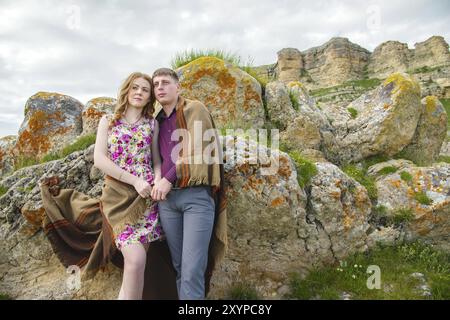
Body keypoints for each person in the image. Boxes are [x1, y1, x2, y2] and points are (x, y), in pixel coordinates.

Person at [40, 72, 177, 300]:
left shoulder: (152, 124)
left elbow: (155, 160)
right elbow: (100, 159)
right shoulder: (108, 120)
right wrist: (134, 180)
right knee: (135, 260)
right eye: (135, 88)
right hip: (118, 198)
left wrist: (158, 181)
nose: (139, 92)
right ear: (126, 90)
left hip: (145, 200)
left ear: (149, 96)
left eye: (145, 89)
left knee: (136, 267)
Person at [151, 68, 228, 300]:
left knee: (193, 268)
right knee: (180, 267)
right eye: (156, 84)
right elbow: (157, 157)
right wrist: (158, 179)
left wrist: (167, 178)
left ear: (178, 87)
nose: (160, 88)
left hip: (196, 196)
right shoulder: (156, 121)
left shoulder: (195, 109)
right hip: (167, 201)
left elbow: (197, 148)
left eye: (166, 82)